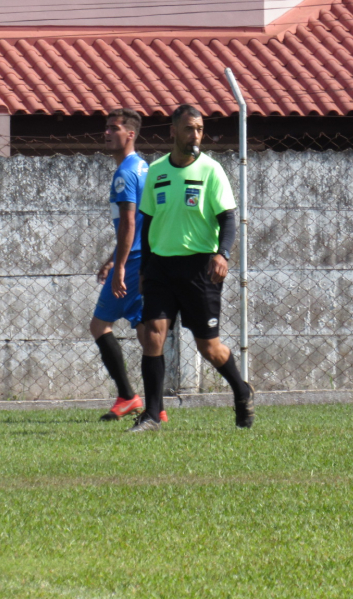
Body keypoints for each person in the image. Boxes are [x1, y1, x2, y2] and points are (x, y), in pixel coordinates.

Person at [127, 104, 252, 432]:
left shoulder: (211, 171)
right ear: (173, 131)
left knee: (208, 347)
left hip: (200, 268)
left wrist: (223, 254)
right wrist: (144, 268)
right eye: (188, 129)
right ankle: (152, 415)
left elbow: (228, 217)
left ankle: (241, 390)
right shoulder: (156, 171)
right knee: (153, 335)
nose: (195, 135)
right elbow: (148, 222)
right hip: (161, 268)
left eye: (199, 129)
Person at [91, 108, 167, 423]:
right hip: (143, 257)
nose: (106, 133)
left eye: (114, 128)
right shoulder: (143, 168)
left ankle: (128, 396)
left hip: (134, 260)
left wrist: (119, 265)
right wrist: (113, 259)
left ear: (130, 134)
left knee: (99, 325)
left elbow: (128, 224)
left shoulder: (125, 173)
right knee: (145, 331)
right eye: (106, 128)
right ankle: (156, 407)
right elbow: (138, 221)